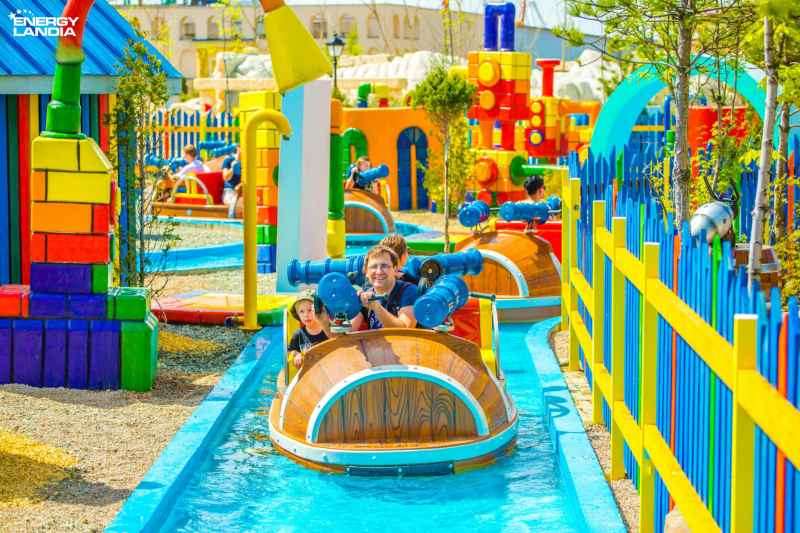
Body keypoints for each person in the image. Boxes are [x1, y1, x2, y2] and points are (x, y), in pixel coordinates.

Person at [348, 245, 418, 330]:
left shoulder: (409, 291)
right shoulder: (366, 295)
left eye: (384, 266)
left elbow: (405, 331)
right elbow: (347, 332)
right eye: (373, 267)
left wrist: (375, 306)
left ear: (395, 270)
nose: (379, 272)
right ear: (366, 272)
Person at [287, 290, 334, 369]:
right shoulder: (298, 334)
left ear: (319, 310)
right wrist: (297, 355)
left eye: (310, 310)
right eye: (302, 311)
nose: (306, 315)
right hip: (309, 372)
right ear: (298, 314)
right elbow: (291, 349)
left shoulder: (328, 329)